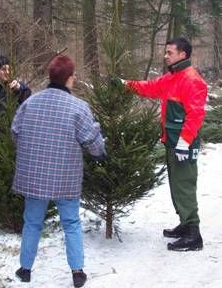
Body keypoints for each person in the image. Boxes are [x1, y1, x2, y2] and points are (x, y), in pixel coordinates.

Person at [11, 55, 106, 287]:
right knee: (71, 223)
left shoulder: (30, 103)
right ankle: (77, 272)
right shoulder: (78, 107)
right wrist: (100, 153)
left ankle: (25, 269)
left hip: (35, 176)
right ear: (70, 79)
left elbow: (15, 132)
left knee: (32, 222)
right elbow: (91, 139)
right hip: (66, 177)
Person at [125, 37, 207, 251]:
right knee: (176, 185)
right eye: (166, 52)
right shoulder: (173, 77)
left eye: (170, 52)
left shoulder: (191, 79)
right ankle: (185, 224)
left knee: (184, 186)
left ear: (183, 55)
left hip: (183, 145)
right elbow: (151, 87)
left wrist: (184, 143)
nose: (165, 55)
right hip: (173, 142)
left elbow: (196, 114)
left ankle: (193, 235)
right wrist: (127, 85)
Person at [0, 56, 31, 136]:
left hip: (14, 139)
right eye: (3, 69)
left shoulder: (19, 88)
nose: (7, 72)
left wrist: (19, 89)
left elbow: (28, 101)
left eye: (9, 69)